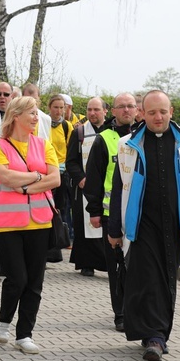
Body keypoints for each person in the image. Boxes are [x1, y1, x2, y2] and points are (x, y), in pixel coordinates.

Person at [108, 90, 180, 361]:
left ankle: (157, 334)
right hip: (143, 222)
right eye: (151, 113)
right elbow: (120, 188)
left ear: (171, 111)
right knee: (147, 277)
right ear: (142, 114)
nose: (158, 117)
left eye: (162, 112)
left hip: (175, 222)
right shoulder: (128, 144)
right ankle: (155, 338)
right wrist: (115, 228)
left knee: (167, 278)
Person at [0, 96, 60, 354]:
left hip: (40, 221)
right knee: (17, 278)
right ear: (16, 115)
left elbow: (55, 180)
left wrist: (26, 186)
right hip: (7, 223)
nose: (35, 117)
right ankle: (4, 320)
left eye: (36, 113)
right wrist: (38, 177)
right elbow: (4, 175)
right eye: (31, 112)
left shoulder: (44, 144)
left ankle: (25, 334)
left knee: (34, 282)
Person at [84, 93, 138, 332]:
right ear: (113, 111)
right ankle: (121, 313)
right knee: (116, 267)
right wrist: (94, 211)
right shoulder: (103, 139)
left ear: (137, 110)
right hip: (111, 215)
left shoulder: (144, 137)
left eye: (130, 106)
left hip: (138, 215)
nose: (126, 111)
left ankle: (137, 310)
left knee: (136, 267)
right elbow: (93, 178)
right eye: (121, 107)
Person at [67, 97, 108, 277]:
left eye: (96, 109)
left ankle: (107, 262)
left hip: (107, 189)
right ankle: (87, 263)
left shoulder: (111, 132)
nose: (92, 113)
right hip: (84, 188)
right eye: (89, 109)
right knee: (83, 225)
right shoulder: (79, 133)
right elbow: (71, 161)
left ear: (105, 111)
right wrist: (81, 178)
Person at [46, 94, 73, 262]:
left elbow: (70, 148)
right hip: (47, 170)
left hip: (62, 171)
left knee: (61, 208)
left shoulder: (66, 126)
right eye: (56, 107)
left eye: (61, 107)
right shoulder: (43, 123)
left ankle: (59, 242)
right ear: (49, 107)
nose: (58, 111)